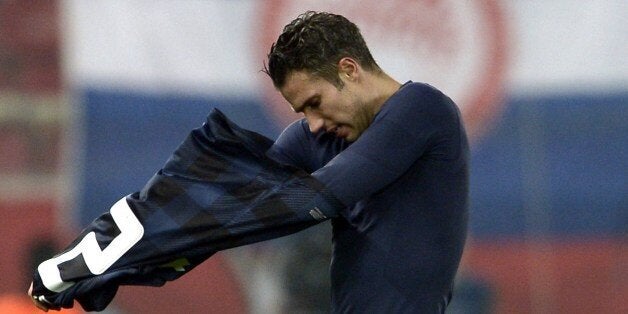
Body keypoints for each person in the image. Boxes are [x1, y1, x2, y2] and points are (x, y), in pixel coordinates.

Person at [29, 11, 468, 313]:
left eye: (316, 102)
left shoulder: (424, 110)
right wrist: (102, 262)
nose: (312, 124)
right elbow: (218, 204)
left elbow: (309, 201)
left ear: (349, 69)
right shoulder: (321, 136)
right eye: (302, 112)